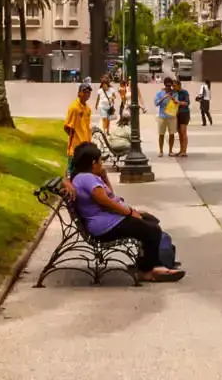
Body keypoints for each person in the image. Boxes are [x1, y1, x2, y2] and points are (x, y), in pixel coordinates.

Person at [65, 143, 183, 282]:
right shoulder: (87, 178)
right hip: (104, 226)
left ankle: (152, 262)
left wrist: (105, 177)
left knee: (150, 222)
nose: (102, 163)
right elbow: (105, 201)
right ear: (93, 162)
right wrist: (129, 213)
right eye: (101, 160)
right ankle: (148, 270)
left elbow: (110, 196)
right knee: (152, 230)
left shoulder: (82, 177)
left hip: (106, 221)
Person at [64, 83, 95, 155]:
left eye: (89, 92)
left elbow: (87, 126)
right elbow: (67, 127)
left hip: (86, 145)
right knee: (72, 166)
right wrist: (76, 137)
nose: (87, 94)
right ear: (79, 93)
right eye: (85, 92)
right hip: (75, 148)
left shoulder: (88, 108)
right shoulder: (74, 107)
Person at [171, 76, 193, 157]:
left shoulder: (184, 92)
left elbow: (187, 103)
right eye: (173, 86)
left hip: (184, 113)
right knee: (179, 133)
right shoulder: (174, 93)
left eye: (175, 86)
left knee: (183, 132)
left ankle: (184, 151)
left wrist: (177, 102)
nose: (173, 87)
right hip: (177, 114)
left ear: (179, 85)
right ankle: (181, 150)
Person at [152, 80, 172, 155]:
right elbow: (156, 103)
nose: (168, 87)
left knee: (171, 134)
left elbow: (177, 103)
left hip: (171, 116)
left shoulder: (174, 93)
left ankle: (170, 151)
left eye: (170, 86)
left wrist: (172, 98)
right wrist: (163, 98)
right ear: (165, 85)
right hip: (162, 116)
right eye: (167, 85)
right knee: (161, 134)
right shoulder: (159, 93)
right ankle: (161, 151)